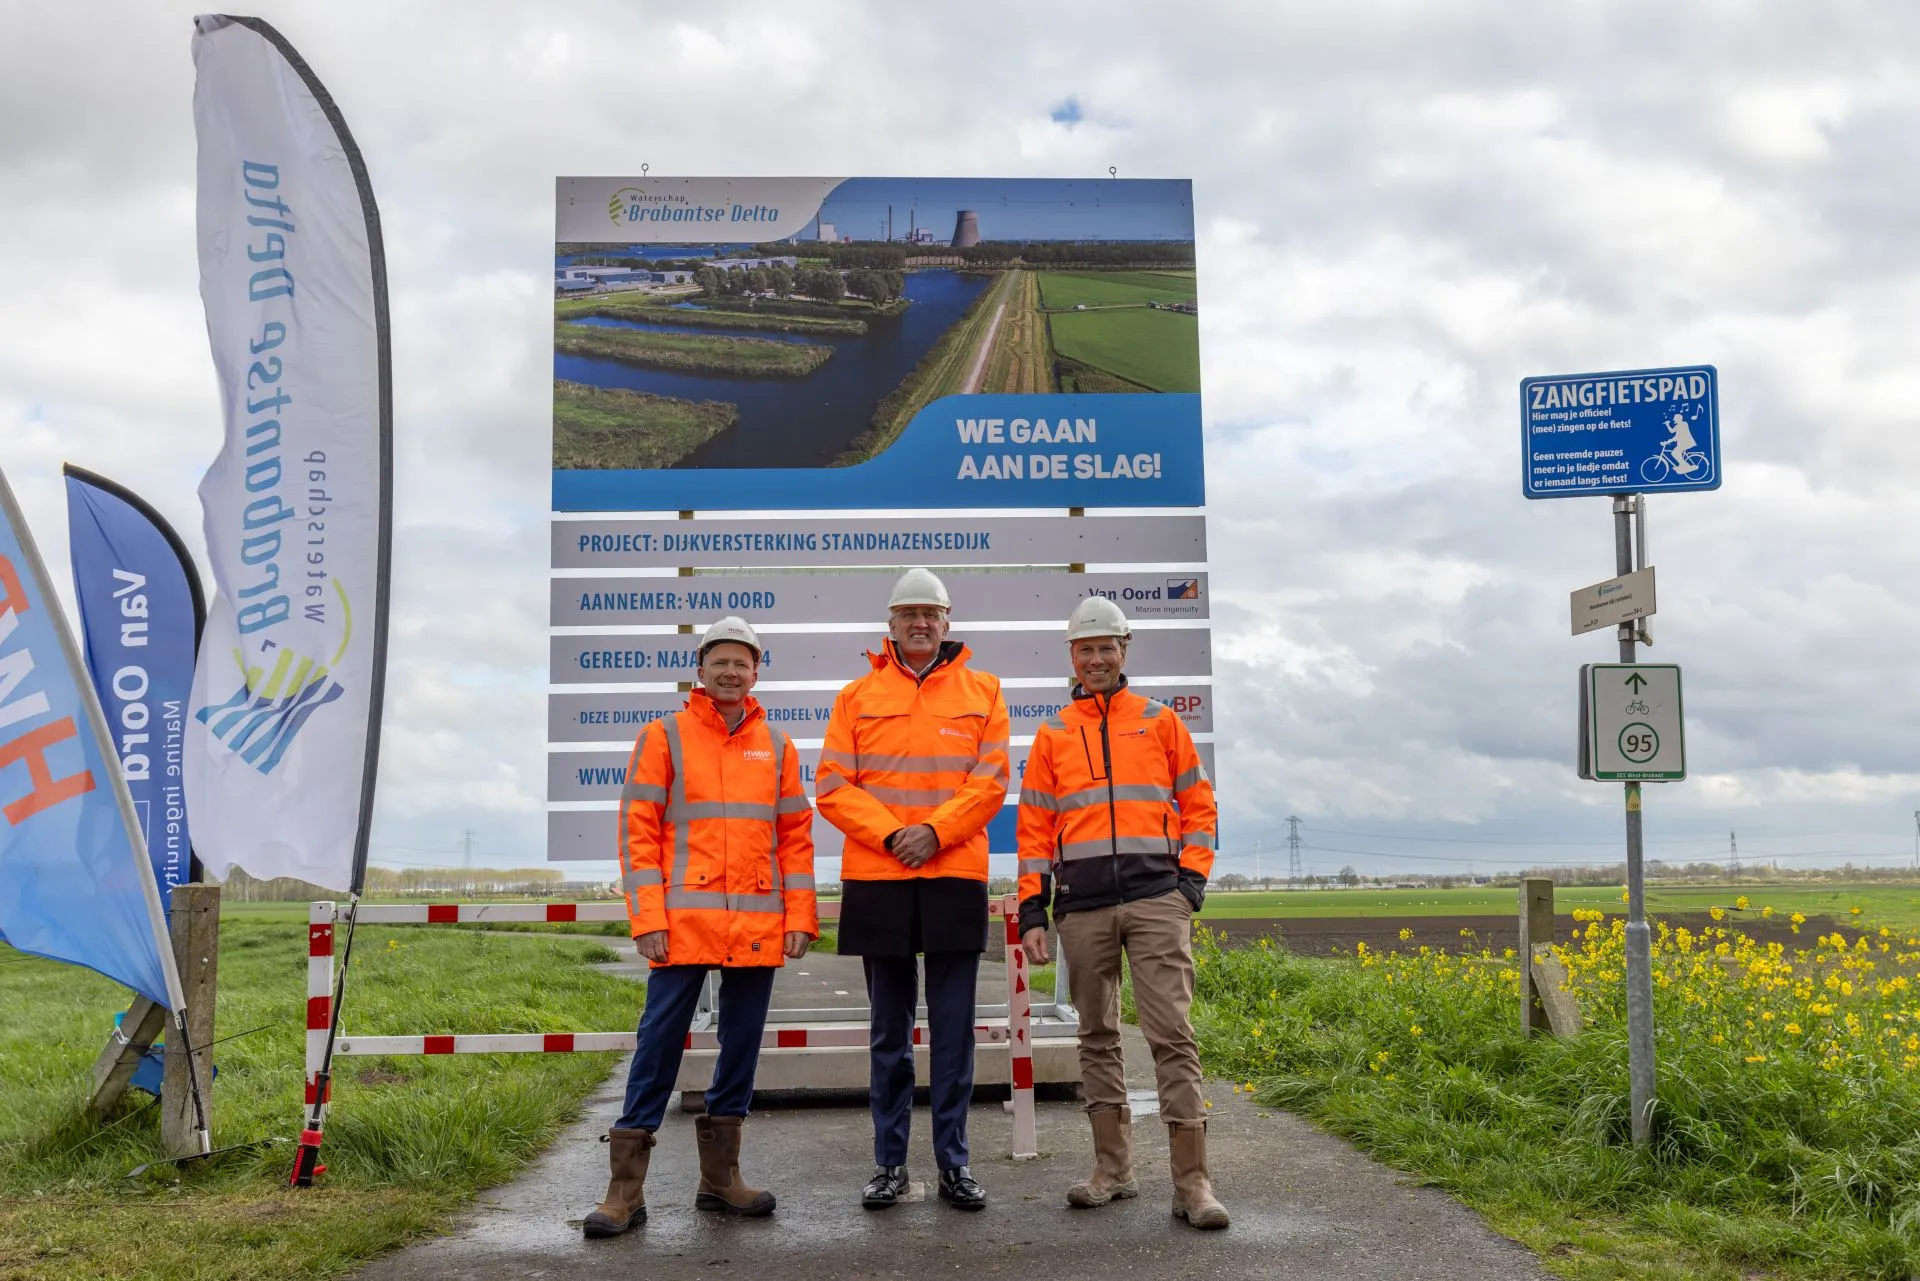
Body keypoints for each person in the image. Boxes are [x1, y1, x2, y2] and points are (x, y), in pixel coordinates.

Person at [583, 615, 817, 1238]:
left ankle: (721, 1181)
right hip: (680, 927)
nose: (732, 672)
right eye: (721, 662)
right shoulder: (663, 735)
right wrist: (647, 917)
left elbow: (795, 841)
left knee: (739, 1048)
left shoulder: (781, 746)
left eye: (743, 663)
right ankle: (623, 1193)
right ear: (701, 671)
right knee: (658, 1044)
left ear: (756, 671)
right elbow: (637, 832)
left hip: (758, 927)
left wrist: (801, 916)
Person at [1017, 596, 1228, 1230]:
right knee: (1096, 1038)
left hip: (1156, 900)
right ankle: (1113, 1170)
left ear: (1124, 650)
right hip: (1082, 907)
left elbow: (1199, 806)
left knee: (1172, 1037)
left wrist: (1189, 883)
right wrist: (1033, 909)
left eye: (1108, 647)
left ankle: (1193, 1184)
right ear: (1072, 657)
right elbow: (1034, 828)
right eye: (1087, 649)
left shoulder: (1162, 721)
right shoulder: (1053, 732)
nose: (1098, 658)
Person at [816, 568, 1010, 1212]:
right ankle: (889, 1165)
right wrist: (897, 835)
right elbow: (833, 785)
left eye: (931, 613)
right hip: (880, 876)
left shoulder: (985, 691)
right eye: (908, 614)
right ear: (890, 625)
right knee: (888, 1037)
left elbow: (989, 783)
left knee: (954, 1034)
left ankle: (955, 1165)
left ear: (949, 621)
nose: (920, 623)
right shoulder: (855, 696)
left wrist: (934, 831)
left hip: (954, 873)